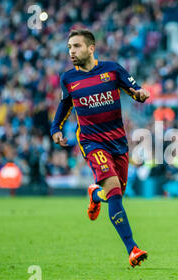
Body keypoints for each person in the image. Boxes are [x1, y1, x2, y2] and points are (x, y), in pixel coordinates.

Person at [50, 29, 150, 267]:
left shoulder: (112, 70)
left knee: (114, 195)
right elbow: (64, 105)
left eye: (76, 46)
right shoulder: (68, 78)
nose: (72, 52)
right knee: (114, 191)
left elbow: (134, 88)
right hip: (91, 142)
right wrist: (55, 129)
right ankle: (132, 248)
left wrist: (141, 93)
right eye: (69, 48)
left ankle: (95, 194)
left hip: (118, 143)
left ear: (91, 48)